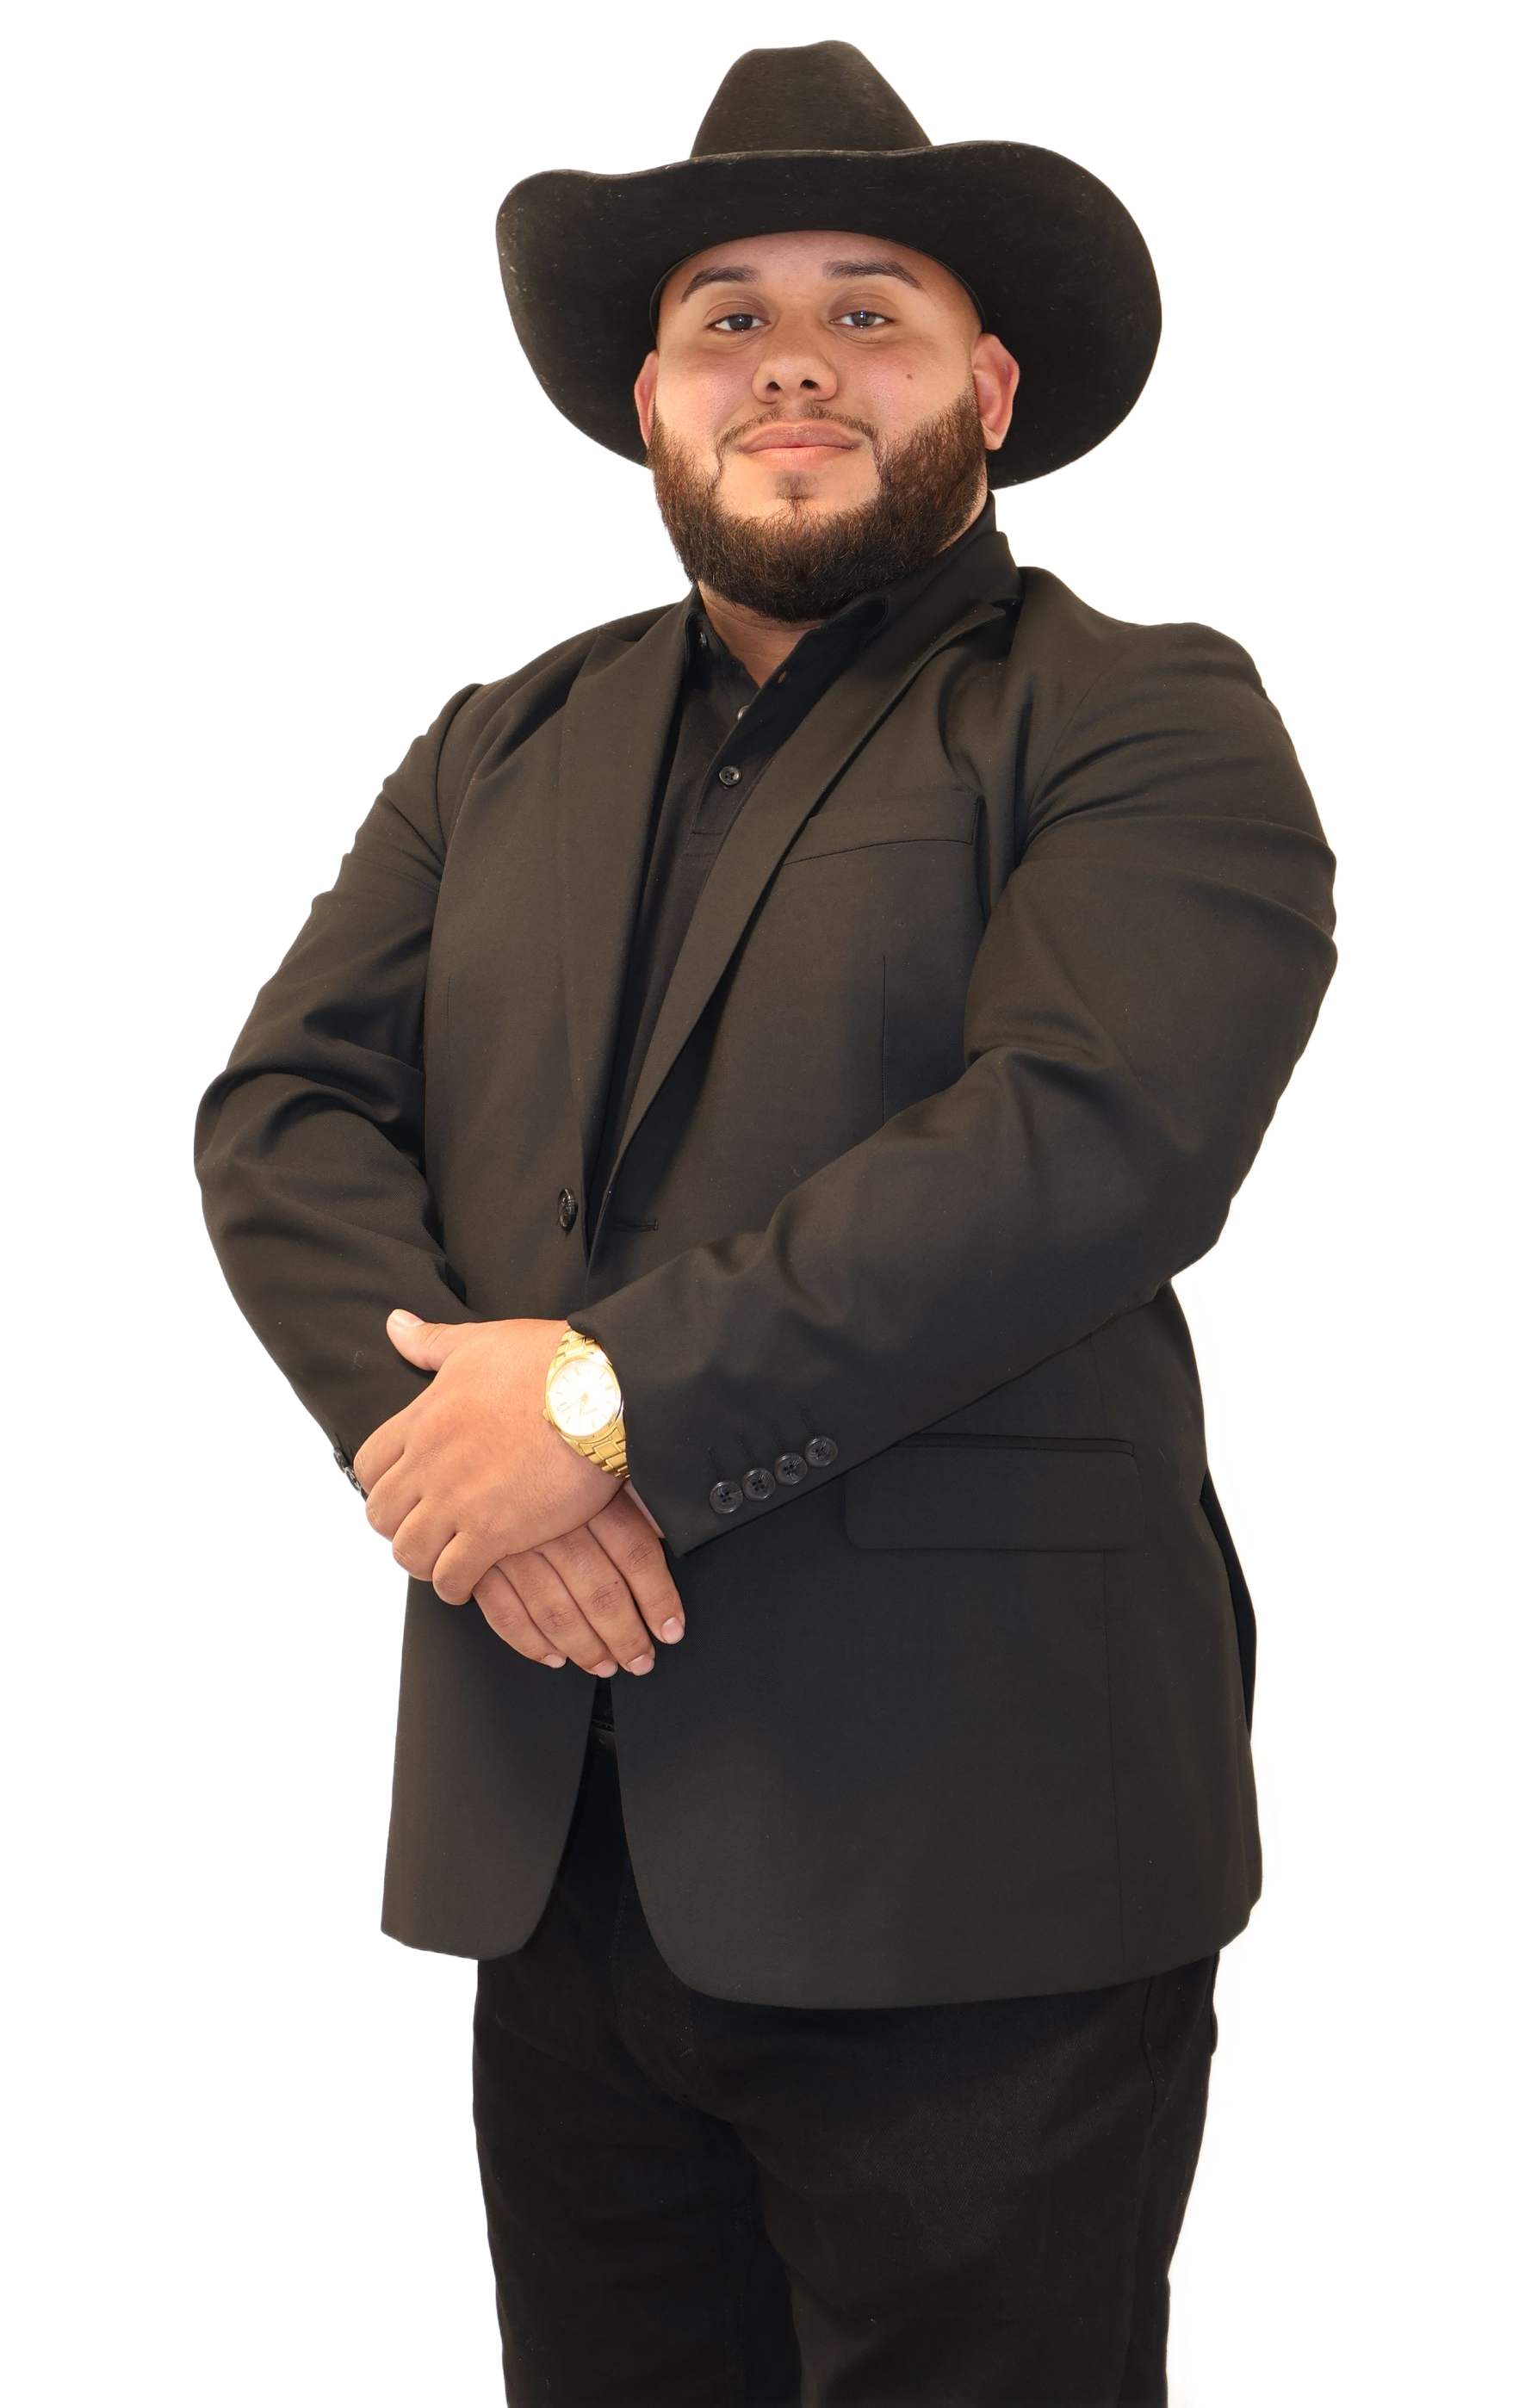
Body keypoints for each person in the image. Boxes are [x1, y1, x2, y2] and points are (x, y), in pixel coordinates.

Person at [192, 37, 1340, 2407]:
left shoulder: (1149, 712)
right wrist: (469, 1478)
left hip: (982, 1846)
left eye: (866, 309)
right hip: (557, 1827)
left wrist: (599, 1409)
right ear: (646, 397)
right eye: (728, 314)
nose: (791, 359)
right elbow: (283, 1111)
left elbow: (1089, 1137)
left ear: (987, 384)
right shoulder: (486, 741)